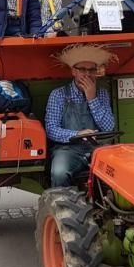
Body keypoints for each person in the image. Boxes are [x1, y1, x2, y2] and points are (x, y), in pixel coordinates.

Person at [45, 44, 117, 187]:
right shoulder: (58, 95)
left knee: (120, 170)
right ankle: (62, 208)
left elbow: (109, 126)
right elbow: (51, 129)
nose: (87, 74)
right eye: (82, 69)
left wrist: (92, 98)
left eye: (91, 70)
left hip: (98, 148)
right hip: (67, 150)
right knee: (59, 172)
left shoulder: (101, 94)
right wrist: (78, 133)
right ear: (73, 71)